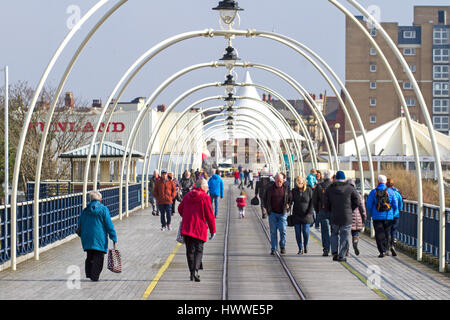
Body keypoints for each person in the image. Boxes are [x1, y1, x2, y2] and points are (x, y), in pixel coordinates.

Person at [178, 178, 216, 282]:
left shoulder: (187, 196)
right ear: (203, 187)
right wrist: (213, 230)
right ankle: (195, 271)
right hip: (199, 228)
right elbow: (210, 216)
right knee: (198, 250)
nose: (208, 188)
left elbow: (180, 209)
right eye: (207, 187)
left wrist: (186, 216)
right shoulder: (205, 197)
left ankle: (191, 272)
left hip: (188, 228)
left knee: (190, 251)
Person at [78, 190, 117, 282]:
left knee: (90, 255)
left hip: (87, 237)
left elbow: (80, 223)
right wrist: (113, 236)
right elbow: (108, 224)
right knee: (98, 256)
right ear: (100, 199)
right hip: (99, 237)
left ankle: (89, 273)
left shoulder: (85, 210)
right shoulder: (103, 209)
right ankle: (94, 276)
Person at [325, 171, 362, 262]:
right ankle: (341, 255)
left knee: (334, 234)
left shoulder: (330, 189)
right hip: (347, 216)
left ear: (336, 178)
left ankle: (334, 253)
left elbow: (325, 202)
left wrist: (330, 210)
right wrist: (351, 209)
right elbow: (357, 200)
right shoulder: (350, 188)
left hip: (334, 216)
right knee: (344, 236)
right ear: (344, 178)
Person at [367, 175, 398, 258]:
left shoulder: (373, 192)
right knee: (387, 233)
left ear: (378, 182)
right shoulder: (391, 192)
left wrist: (372, 213)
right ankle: (387, 249)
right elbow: (395, 205)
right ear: (385, 182)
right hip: (388, 216)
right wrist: (393, 213)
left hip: (377, 217)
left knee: (379, 234)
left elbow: (369, 204)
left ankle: (382, 251)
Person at [263, 173, 292, 255]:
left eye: (280, 180)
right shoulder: (270, 189)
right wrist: (267, 209)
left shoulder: (286, 188)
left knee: (283, 230)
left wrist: (288, 206)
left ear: (283, 180)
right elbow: (264, 199)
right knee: (273, 231)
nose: (279, 181)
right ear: (274, 180)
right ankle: (273, 248)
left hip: (282, 213)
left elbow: (290, 199)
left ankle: (282, 246)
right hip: (272, 213)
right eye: (277, 180)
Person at [312, 169, 333, 256]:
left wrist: (318, 210)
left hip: (323, 210)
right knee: (334, 231)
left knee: (325, 231)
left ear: (324, 176)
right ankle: (335, 249)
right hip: (333, 211)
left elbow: (314, 200)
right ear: (331, 176)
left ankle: (326, 249)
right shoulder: (333, 186)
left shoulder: (319, 186)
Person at [291, 176, 314, 255]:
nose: (299, 184)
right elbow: (290, 200)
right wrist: (287, 205)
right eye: (298, 183)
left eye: (300, 182)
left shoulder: (309, 190)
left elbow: (312, 202)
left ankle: (305, 245)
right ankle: (300, 248)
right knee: (297, 232)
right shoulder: (294, 191)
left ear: (304, 182)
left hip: (306, 215)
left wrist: (310, 212)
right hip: (297, 214)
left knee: (305, 231)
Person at [347, 179, 367, 256]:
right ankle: (355, 241)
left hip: (347, 217)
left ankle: (346, 251)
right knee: (355, 233)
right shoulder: (358, 194)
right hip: (357, 217)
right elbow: (362, 207)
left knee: (346, 234)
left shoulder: (345, 194)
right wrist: (364, 217)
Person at [387, 178, 403, 248]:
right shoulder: (397, 193)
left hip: (387, 214)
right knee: (394, 229)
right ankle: (392, 243)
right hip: (396, 214)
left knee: (387, 229)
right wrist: (399, 209)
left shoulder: (385, 192)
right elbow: (400, 204)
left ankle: (387, 244)